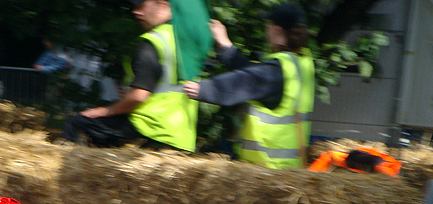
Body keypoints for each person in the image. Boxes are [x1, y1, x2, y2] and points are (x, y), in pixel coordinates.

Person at [183, 2, 315, 169]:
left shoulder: (278, 70)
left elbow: (244, 83)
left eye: (268, 27)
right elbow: (254, 74)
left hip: (268, 171)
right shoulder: (302, 64)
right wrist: (226, 47)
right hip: (288, 170)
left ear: (277, 30)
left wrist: (202, 89)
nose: (266, 32)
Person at [62, 0, 205, 151]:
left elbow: (139, 96)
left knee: (77, 123)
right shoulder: (188, 42)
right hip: (180, 137)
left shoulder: (153, 42)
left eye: (141, 6)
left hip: (147, 128)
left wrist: (105, 111)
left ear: (162, 5)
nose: (135, 12)